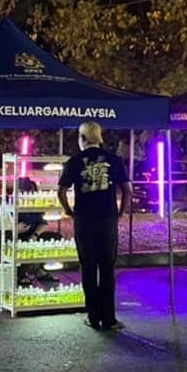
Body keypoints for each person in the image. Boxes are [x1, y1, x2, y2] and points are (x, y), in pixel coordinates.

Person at [58, 120, 131, 332]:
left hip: (84, 220)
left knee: (88, 268)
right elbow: (128, 190)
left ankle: (93, 316)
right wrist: (120, 213)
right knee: (107, 268)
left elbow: (61, 191)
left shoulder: (74, 161)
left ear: (82, 138)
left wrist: (69, 210)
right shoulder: (114, 160)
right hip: (107, 220)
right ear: (99, 138)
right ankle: (109, 319)